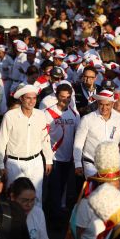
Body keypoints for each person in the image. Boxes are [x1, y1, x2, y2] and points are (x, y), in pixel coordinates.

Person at [0, 85, 53, 205]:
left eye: (34, 98)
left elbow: (45, 139)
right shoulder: (10, 116)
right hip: (14, 163)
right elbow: (2, 141)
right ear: (21, 99)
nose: (32, 101)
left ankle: (36, 223)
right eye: (28, 98)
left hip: (36, 162)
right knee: (14, 197)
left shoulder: (41, 115)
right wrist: (0, 164)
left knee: (37, 197)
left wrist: (48, 159)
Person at [73, 141, 120, 239]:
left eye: (117, 181)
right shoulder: (86, 205)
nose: (115, 186)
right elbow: (76, 236)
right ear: (100, 183)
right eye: (109, 183)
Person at [73, 89, 120, 178]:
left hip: (112, 166)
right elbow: (78, 143)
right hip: (91, 164)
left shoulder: (119, 121)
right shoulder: (87, 119)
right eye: (101, 104)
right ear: (97, 103)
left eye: (107, 105)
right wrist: (78, 163)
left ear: (113, 104)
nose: (104, 108)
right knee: (94, 190)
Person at [44, 83, 79, 219]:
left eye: (68, 97)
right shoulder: (48, 113)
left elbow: (78, 135)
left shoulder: (74, 114)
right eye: (62, 97)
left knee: (63, 187)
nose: (64, 100)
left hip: (68, 158)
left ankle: (55, 213)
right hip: (53, 157)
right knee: (55, 188)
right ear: (56, 97)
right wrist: (47, 158)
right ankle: (53, 217)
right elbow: (44, 137)